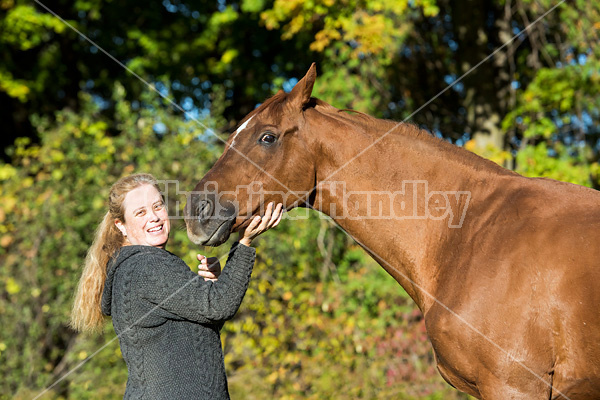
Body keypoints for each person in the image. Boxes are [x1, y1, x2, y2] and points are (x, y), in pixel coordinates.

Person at [70, 173, 283, 399]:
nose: (153, 217)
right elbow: (219, 306)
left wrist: (214, 285)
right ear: (120, 226)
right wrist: (244, 243)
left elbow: (200, 326)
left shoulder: (137, 265)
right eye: (140, 212)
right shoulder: (146, 266)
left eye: (157, 206)